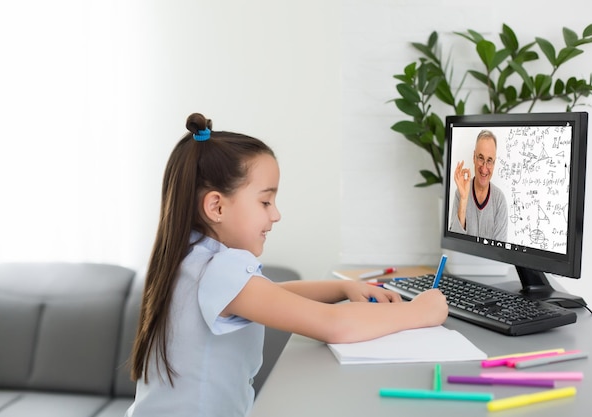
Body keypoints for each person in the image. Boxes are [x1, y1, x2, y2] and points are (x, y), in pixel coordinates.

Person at [125, 113, 448, 417]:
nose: (275, 214)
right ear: (216, 206)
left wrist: (342, 287)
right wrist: (419, 312)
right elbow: (335, 326)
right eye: (265, 201)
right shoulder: (220, 268)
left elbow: (269, 295)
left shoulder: (192, 257)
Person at [449, 129, 508, 241]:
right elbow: (454, 243)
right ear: (474, 157)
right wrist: (464, 199)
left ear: (494, 163)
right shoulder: (460, 193)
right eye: (481, 158)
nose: (484, 168)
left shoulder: (499, 200)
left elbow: (499, 252)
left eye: (489, 160)